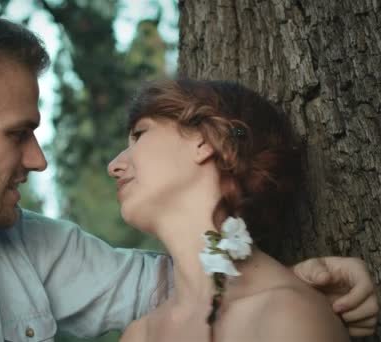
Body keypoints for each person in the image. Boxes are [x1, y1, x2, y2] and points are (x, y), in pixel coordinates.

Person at [0, 2, 377, 341]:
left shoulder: (38, 247)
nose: (37, 159)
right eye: (18, 134)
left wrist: (303, 283)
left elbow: (196, 289)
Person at [108, 79, 365, 341]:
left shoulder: (289, 318)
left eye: (139, 135)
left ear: (204, 140)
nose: (113, 165)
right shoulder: (138, 335)